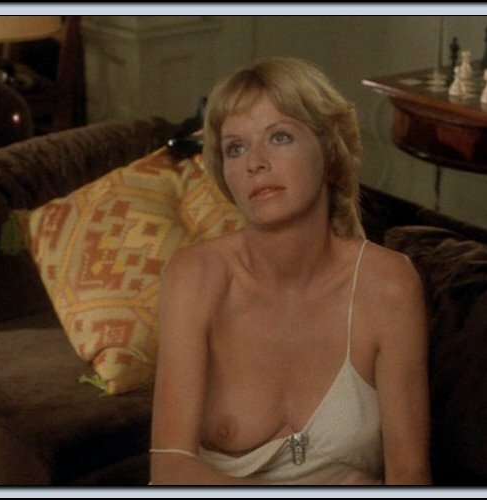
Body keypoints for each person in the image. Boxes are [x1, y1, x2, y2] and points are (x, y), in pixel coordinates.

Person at [149, 57, 431, 485]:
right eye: (235, 148)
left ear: (329, 151)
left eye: (278, 137)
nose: (255, 162)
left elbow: (410, 476)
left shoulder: (389, 285)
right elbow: (169, 468)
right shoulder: (196, 276)